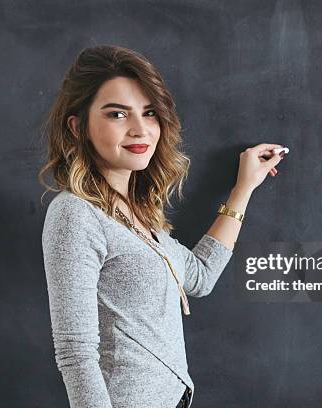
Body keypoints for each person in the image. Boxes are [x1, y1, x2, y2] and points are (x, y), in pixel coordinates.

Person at [38, 45, 286, 408]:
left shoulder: (138, 214)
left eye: (149, 113)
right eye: (117, 114)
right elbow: (75, 354)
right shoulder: (75, 214)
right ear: (79, 127)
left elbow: (200, 277)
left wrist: (243, 188)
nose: (140, 129)